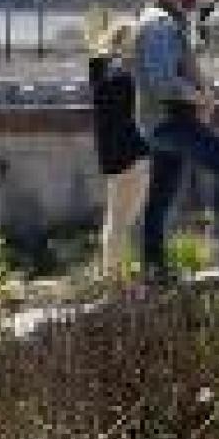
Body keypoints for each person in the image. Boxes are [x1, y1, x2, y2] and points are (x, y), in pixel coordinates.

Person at [136, 0, 219, 279]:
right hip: (171, 120)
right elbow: (162, 82)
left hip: (163, 122)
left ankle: (154, 269)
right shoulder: (159, 24)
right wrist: (200, 97)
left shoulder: (168, 20)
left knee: (160, 196)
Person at [89, 20, 150, 278]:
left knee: (117, 216)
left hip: (114, 154)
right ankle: (111, 273)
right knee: (123, 217)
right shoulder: (125, 75)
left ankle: (111, 271)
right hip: (131, 153)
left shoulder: (101, 70)